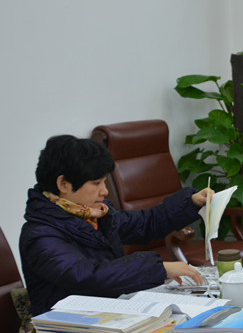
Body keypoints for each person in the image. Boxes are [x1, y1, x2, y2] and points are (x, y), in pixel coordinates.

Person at [20, 135, 210, 315]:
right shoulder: (39, 235)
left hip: (109, 313)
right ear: (63, 184)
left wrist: (191, 202)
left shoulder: (97, 215)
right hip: (65, 326)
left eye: (104, 182)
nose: (104, 191)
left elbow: (145, 223)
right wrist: (157, 267)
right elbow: (87, 276)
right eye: (96, 183)